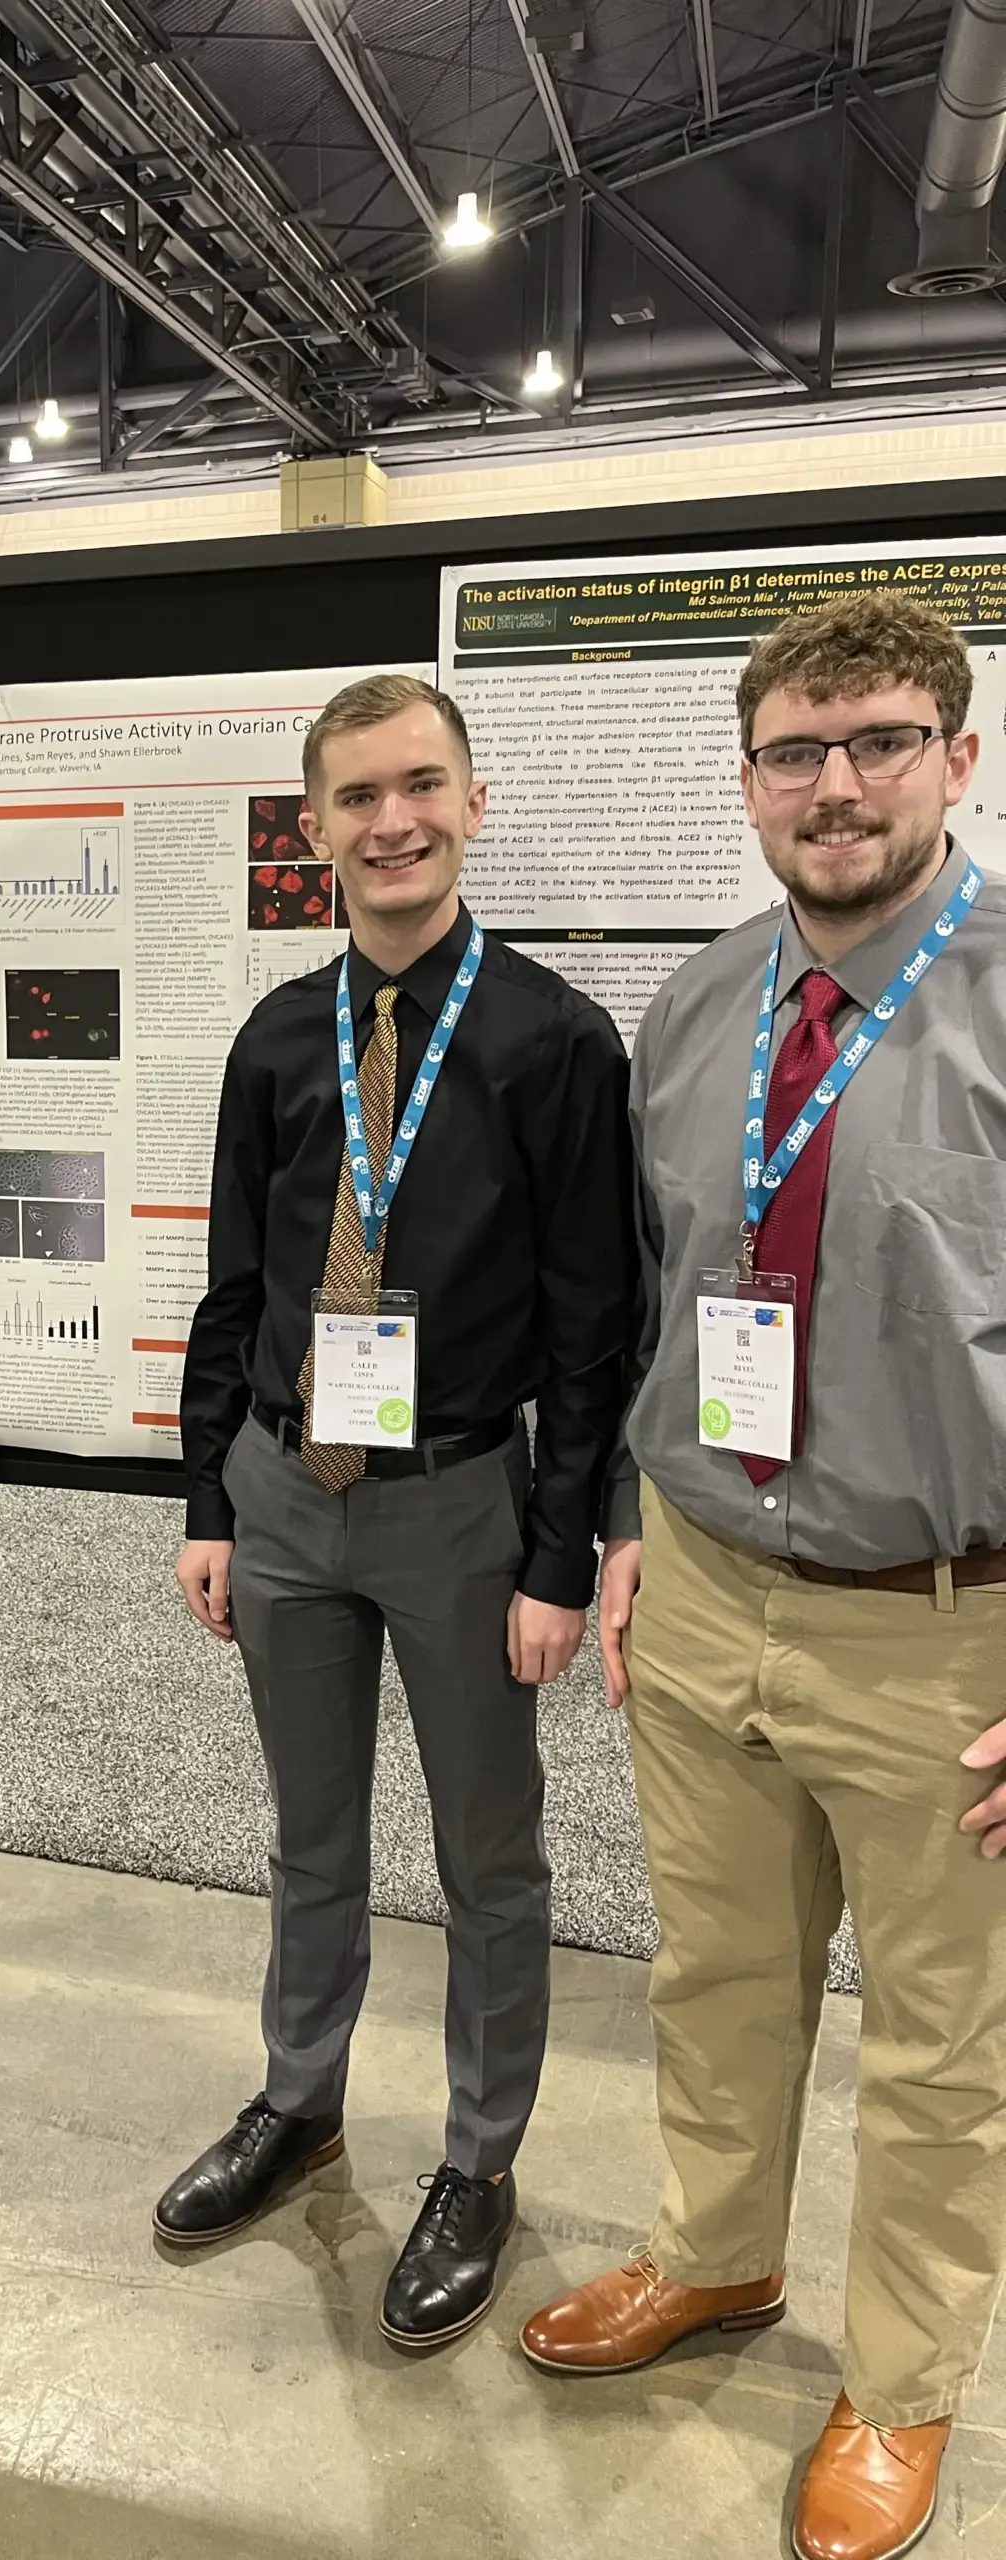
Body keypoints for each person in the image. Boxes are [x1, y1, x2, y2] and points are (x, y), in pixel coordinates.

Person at [521, 594, 1006, 2560]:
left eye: (881, 739)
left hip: (944, 1619)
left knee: (941, 2038)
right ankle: (717, 2255)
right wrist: (639, 1525)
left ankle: (901, 2382)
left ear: (958, 760)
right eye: (798, 751)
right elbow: (665, 1296)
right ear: (746, 783)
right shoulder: (701, 1005)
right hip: (714, 1575)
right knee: (714, 1973)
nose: (837, 783)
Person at [162, 672, 634, 2347]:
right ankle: (301, 2102)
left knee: (489, 1859)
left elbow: (597, 1324)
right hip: (287, 1493)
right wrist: (211, 1490)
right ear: (314, 831)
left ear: (473, 802)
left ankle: (482, 2160)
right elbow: (236, 1280)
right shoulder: (280, 1036)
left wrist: (561, 1551)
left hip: (460, 1509)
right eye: (356, 797)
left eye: (420, 784)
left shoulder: (554, 1040)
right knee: (310, 1838)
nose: (393, 820)